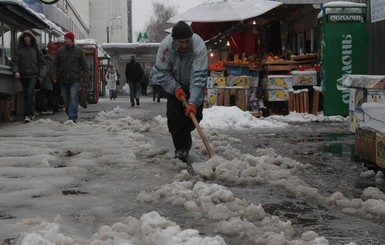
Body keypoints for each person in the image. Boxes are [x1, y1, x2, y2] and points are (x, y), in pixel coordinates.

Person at [154, 21, 208, 162]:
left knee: (192, 118)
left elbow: (198, 76)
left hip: (193, 85)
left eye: (187, 41)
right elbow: (162, 72)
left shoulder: (198, 47)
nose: (184, 45)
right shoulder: (165, 48)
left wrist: (193, 102)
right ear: (174, 40)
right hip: (173, 84)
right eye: (181, 42)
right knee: (174, 118)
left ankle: (185, 139)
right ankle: (180, 149)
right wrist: (175, 88)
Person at [52, 32, 88, 123]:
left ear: (71, 40)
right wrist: (54, 76)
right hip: (63, 78)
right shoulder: (60, 51)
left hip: (74, 79)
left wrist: (86, 78)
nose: (65, 40)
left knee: (73, 97)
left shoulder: (78, 51)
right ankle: (69, 113)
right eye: (65, 38)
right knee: (66, 99)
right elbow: (54, 64)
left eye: (67, 39)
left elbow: (84, 65)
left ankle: (72, 118)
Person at [12, 30, 46, 123]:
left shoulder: (35, 49)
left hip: (33, 75)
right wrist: (16, 71)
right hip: (23, 75)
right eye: (25, 36)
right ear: (23, 38)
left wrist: (41, 76)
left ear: (31, 38)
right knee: (27, 94)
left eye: (28, 36)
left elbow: (42, 63)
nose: (26, 38)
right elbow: (15, 62)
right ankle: (31, 112)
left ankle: (28, 115)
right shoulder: (19, 49)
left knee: (30, 93)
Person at [39, 48, 55, 114]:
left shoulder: (44, 60)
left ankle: (48, 108)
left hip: (45, 79)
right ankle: (50, 108)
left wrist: (41, 78)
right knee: (49, 94)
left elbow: (45, 70)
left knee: (46, 94)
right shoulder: (50, 59)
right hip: (49, 79)